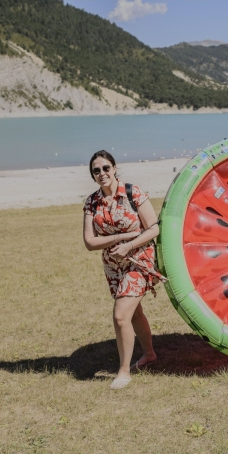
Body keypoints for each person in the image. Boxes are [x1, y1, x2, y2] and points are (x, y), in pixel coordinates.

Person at [82, 150, 167, 389]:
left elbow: (153, 229)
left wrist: (129, 243)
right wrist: (123, 236)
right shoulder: (92, 202)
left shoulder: (133, 192)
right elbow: (89, 242)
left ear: (115, 168)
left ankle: (123, 372)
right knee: (134, 313)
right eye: (96, 170)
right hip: (113, 266)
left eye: (106, 168)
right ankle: (149, 354)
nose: (102, 173)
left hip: (139, 261)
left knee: (120, 315)